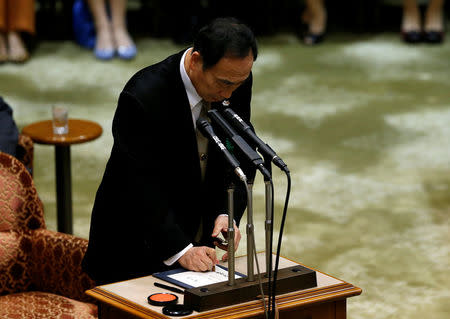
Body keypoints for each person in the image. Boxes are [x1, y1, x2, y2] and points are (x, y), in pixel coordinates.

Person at [82, 17, 258, 285]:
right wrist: (180, 249)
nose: (228, 95)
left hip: (197, 238)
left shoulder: (233, 80)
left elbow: (239, 149)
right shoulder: (143, 96)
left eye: (237, 84)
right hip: (135, 243)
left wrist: (227, 212)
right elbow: (138, 183)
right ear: (196, 61)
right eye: (223, 84)